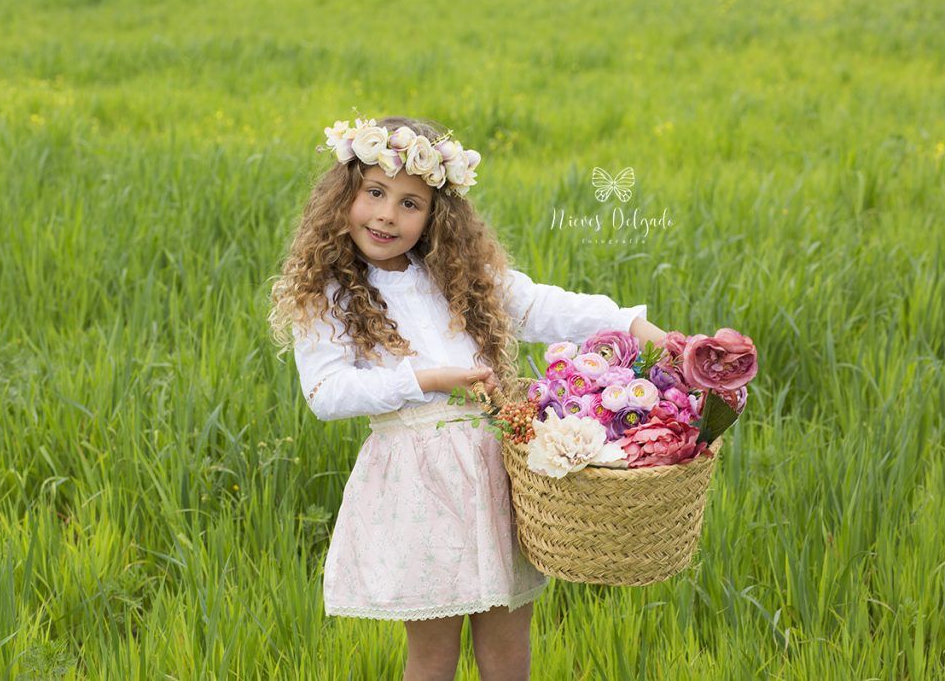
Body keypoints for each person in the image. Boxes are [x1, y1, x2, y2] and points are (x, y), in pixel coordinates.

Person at [267, 115, 667, 680]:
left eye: (411, 203)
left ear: (435, 215)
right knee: (433, 652)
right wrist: (426, 379)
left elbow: (542, 306)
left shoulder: (456, 274)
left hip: (494, 471)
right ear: (344, 196)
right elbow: (327, 393)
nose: (387, 214)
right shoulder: (329, 295)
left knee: (508, 645)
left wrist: (631, 324)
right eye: (375, 193)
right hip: (419, 483)